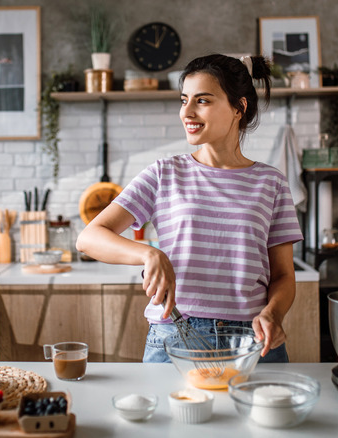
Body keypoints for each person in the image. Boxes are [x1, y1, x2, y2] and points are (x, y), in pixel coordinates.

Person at [76, 54, 303, 363]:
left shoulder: (271, 183)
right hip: (175, 337)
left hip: (253, 340)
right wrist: (149, 253)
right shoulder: (164, 173)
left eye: (203, 101)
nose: (187, 112)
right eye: (184, 100)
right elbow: (90, 237)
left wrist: (273, 314)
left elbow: (283, 276)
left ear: (239, 108)